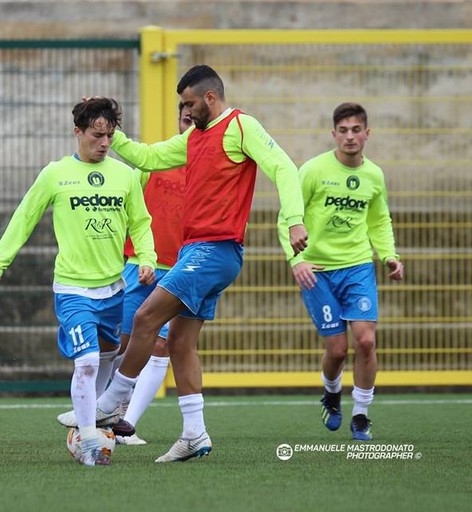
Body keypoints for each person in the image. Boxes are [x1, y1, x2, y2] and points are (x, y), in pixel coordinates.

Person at [61, 65, 309, 463]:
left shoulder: (241, 127)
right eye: (182, 105)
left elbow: (283, 167)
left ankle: (111, 403)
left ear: (210, 98)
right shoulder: (194, 138)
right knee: (179, 342)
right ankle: (194, 433)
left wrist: (294, 219)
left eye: (189, 103)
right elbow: (150, 156)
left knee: (145, 318)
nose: (186, 111)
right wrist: (109, 129)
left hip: (215, 250)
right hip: (197, 252)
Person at [0, 98, 156, 466]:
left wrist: (147, 258)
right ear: (78, 132)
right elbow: (24, 217)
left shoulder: (125, 175)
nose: (105, 142)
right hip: (73, 288)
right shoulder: (55, 173)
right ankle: (89, 440)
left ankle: (88, 418)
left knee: (109, 355)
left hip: (114, 287)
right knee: (88, 362)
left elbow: (140, 221)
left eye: (109, 135)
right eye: (97, 135)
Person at [278, 102, 404, 441]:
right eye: (343, 131)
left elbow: (379, 220)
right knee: (336, 350)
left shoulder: (374, 175)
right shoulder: (313, 170)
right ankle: (332, 394)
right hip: (317, 270)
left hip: (359, 267)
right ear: (334, 134)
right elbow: (288, 216)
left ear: (367, 134)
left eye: (356, 130)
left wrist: (389, 256)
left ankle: (361, 416)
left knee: (365, 342)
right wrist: (296, 260)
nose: (350, 137)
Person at [110, 104, 193, 446]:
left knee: (161, 345)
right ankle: (98, 408)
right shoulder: (154, 162)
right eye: (186, 120)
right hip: (138, 266)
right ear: (178, 121)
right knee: (123, 342)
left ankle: (126, 424)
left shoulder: (209, 169)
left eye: (196, 121)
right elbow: (132, 212)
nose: (191, 127)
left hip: (179, 269)